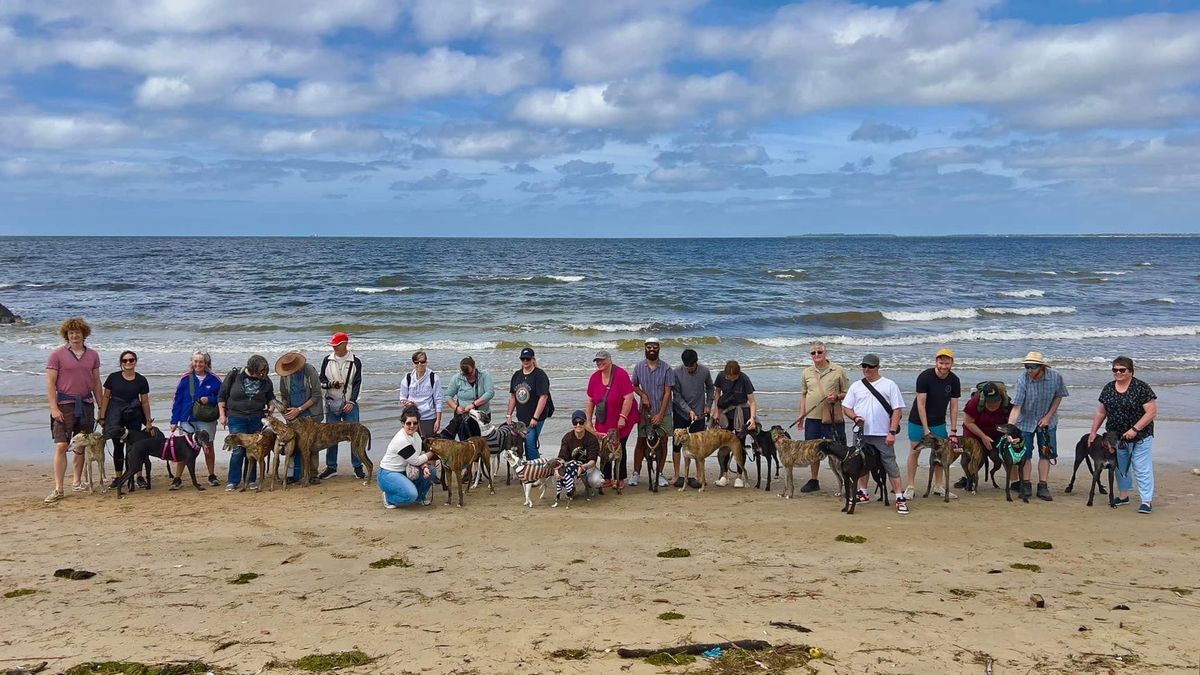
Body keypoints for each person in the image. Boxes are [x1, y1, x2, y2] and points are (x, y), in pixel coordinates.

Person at [44, 317, 102, 503]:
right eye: (71, 333)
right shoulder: (57, 355)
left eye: (78, 332)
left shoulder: (93, 355)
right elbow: (50, 383)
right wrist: (54, 408)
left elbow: (96, 382)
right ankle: (58, 488)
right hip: (64, 404)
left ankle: (77, 482)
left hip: (86, 404)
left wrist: (101, 407)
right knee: (62, 445)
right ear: (66, 335)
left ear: (84, 334)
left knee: (81, 446)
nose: (74, 336)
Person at [842, 353, 909, 514]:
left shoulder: (889, 385)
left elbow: (897, 410)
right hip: (861, 433)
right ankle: (863, 492)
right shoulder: (856, 386)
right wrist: (855, 417)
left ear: (877, 367)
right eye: (864, 366)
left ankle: (899, 497)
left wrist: (892, 432)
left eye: (870, 366)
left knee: (889, 462)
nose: (866, 369)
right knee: (860, 463)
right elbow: (847, 407)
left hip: (882, 433)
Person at [1089, 356, 1157, 514]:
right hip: (1115, 437)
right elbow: (1101, 412)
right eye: (1115, 370)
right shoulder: (1108, 388)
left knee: (1141, 467)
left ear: (1131, 372)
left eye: (1122, 370)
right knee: (1120, 467)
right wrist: (1093, 432)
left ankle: (1146, 501)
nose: (1118, 373)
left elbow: (1151, 412)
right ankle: (1123, 496)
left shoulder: (1141, 387)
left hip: (1141, 436)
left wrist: (1134, 429)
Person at [1008, 351, 1068, 502]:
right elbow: (1016, 407)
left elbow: (1058, 396)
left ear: (1041, 367)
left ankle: (1043, 486)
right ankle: (1026, 484)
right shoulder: (1023, 379)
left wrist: (1048, 416)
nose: (1028, 370)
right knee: (1025, 454)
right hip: (1025, 421)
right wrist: (1010, 429)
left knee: (1046, 453)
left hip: (1048, 421)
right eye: (1026, 366)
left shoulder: (1055, 376)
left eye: (1032, 367)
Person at [904, 348, 961, 500]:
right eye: (941, 362)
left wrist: (954, 430)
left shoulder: (954, 380)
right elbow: (921, 404)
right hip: (917, 421)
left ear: (952, 363)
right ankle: (910, 486)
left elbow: (954, 406)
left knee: (940, 454)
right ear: (936, 362)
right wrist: (925, 429)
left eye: (947, 363)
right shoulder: (925, 377)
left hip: (939, 422)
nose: (944, 366)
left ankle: (938, 485)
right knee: (915, 451)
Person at [797, 341, 850, 493]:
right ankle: (814, 480)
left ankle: (846, 480)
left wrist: (837, 396)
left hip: (833, 418)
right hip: (812, 418)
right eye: (813, 353)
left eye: (819, 352)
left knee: (838, 450)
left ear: (826, 353)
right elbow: (804, 395)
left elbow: (848, 393)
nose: (816, 355)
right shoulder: (806, 372)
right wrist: (802, 414)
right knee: (812, 450)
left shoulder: (838, 370)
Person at [219, 355, 276, 491]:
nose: (262, 373)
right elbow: (221, 395)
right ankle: (233, 481)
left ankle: (250, 479)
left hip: (257, 417)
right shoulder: (235, 375)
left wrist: (271, 406)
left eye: (265, 370)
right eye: (260, 370)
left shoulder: (265, 380)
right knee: (238, 450)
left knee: (254, 449)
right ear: (252, 367)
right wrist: (222, 415)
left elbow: (271, 397)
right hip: (236, 417)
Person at [98, 350, 152, 488]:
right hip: (116, 416)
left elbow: (144, 402)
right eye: (125, 360)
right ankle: (118, 477)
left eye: (131, 360)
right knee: (118, 446)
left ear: (135, 362)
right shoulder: (113, 377)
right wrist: (102, 416)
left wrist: (148, 421)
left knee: (135, 446)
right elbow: (106, 397)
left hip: (134, 415)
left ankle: (138, 476)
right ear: (121, 362)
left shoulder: (141, 380)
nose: (128, 362)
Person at [170, 350, 223, 487]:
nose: (198, 364)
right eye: (196, 361)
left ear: (206, 363)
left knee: (208, 446)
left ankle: (211, 475)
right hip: (187, 418)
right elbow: (178, 400)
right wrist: (174, 421)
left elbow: (222, 398)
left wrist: (209, 399)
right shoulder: (185, 378)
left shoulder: (215, 379)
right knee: (183, 448)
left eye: (201, 362)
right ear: (192, 363)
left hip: (207, 418)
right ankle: (177, 478)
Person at [585, 349, 636, 488]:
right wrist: (588, 421)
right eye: (597, 361)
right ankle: (606, 477)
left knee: (619, 446)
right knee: (605, 447)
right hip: (604, 418)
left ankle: (620, 478)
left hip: (622, 416)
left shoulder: (620, 374)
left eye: (602, 360)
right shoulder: (594, 377)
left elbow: (629, 397)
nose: (599, 363)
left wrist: (623, 417)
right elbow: (590, 400)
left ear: (609, 359)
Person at [318, 332, 364, 480]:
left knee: (355, 436)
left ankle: (357, 467)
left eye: (337, 345)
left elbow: (357, 384)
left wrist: (352, 401)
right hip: (332, 403)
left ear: (345, 344)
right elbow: (322, 381)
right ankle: (331, 467)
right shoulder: (327, 360)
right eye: (333, 345)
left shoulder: (355, 361)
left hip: (349, 403)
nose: (334, 348)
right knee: (330, 436)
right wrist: (331, 384)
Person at [630, 338, 674, 488]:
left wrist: (661, 415)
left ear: (659, 348)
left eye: (654, 346)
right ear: (645, 348)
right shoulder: (638, 367)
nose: (652, 349)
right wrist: (643, 395)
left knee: (663, 441)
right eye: (649, 347)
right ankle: (636, 473)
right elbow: (634, 385)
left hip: (664, 411)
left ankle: (660, 474)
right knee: (641, 440)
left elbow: (668, 393)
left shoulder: (667, 368)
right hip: (645, 413)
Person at [276, 351, 324, 484]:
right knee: (293, 445)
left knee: (312, 445)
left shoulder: (310, 371)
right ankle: (292, 474)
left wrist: (299, 409)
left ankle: (313, 474)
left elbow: (316, 395)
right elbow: (284, 395)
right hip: (293, 415)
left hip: (310, 414)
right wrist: (286, 409)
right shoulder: (285, 375)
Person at [378, 407, 439, 507]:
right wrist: (433, 451)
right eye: (408, 423)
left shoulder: (416, 435)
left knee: (431, 471)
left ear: (418, 423)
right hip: (388, 474)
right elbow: (416, 460)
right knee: (410, 495)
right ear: (402, 423)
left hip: (405, 471)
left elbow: (419, 455)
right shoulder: (401, 439)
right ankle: (389, 498)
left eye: (415, 423)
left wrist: (425, 467)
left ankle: (420, 497)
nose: (412, 426)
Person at [671, 348, 713, 489]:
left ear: (696, 362)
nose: (689, 369)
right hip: (681, 412)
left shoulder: (704, 371)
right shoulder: (676, 372)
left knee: (698, 445)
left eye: (691, 366)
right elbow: (676, 395)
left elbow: (710, 389)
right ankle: (677, 475)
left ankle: (699, 476)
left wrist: (708, 405)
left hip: (700, 412)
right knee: (677, 444)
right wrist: (688, 410)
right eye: (686, 366)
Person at [711, 360, 757, 487]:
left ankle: (739, 476)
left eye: (733, 377)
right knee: (724, 443)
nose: (731, 379)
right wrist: (716, 411)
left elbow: (752, 401)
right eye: (728, 377)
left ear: (738, 374)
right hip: (726, 413)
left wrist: (752, 418)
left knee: (739, 444)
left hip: (741, 413)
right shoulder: (721, 376)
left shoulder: (744, 379)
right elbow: (717, 392)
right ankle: (724, 475)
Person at [958, 381, 1011, 488]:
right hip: (975, 432)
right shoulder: (975, 401)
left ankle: (1014, 481)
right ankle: (968, 478)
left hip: (998, 433)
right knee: (976, 458)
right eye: (989, 402)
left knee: (1000, 455)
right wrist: (983, 437)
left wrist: (1007, 436)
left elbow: (1012, 423)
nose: (993, 405)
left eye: (996, 401)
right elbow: (968, 422)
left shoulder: (1008, 402)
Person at [506, 347, 552, 460]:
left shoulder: (539, 375)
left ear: (533, 359)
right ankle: (528, 469)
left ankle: (536, 471)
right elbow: (513, 396)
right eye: (523, 359)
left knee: (530, 443)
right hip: (521, 418)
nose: (525, 361)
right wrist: (509, 414)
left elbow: (544, 397)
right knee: (521, 443)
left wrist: (535, 418)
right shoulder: (517, 375)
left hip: (536, 417)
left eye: (528, 359)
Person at [445, 356, 494, 440]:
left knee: (483, 443)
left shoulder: (484, 375)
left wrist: (473, 404)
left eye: (470, 373)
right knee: (466, 443)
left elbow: (490, 393)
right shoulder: (457, 378)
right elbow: (448, 396)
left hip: (481, 416)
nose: (468, 376)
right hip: (464, 417)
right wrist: (456, 408)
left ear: (475, 367)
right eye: (465, 374)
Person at [557, 409, 602, 497]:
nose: (578, 425)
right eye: (575, 422)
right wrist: (558, 469)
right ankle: (571, 488)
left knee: (597, 481)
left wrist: (583, 467)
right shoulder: (567, 438)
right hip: (571, 467)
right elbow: (562, 457)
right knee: (557, 477)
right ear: (572, 423)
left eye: (581, 422)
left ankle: (588, 486)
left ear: (585, 423)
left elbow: (593, 461)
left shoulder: (592, 439)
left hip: (587, 466)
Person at [399, 350, 443, 438]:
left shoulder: (434, 378)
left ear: (426, 362)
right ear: (413, 364)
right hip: (412, 417)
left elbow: (438, 400)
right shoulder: (408, 378)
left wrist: (438, 420)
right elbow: (402, 397)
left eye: (422, 362)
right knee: (412, 443)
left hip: (428, 417)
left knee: (428, 444)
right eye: (416, 362)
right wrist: (406, 403)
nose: (419, 364)